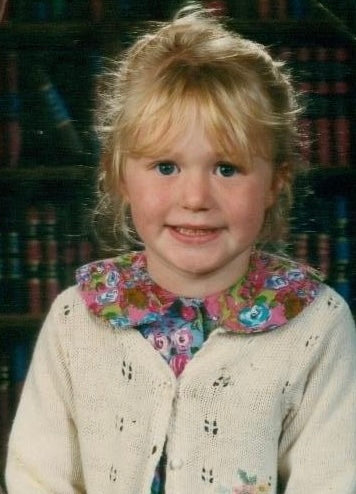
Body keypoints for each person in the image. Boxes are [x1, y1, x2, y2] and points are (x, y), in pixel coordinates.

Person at [6, 4, 356, 493]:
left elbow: (332, 480)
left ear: (276, 181)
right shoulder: (75, 321)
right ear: (119, 175)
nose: (195, 200)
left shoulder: (317, 326)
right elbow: (35, 478)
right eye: (166, 167)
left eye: (227, 169)